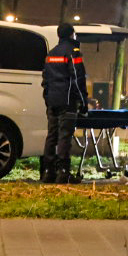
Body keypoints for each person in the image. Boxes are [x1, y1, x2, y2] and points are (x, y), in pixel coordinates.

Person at [41, 23, 89, 184]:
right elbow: (78, 78)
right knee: (64, 137)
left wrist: (48, 99)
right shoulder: (73, 52)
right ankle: (63, 173)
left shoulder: (51, 53)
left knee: (51, 135)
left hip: (52, 102)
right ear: (71, 35)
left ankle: (48, 172)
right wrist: (83, 102)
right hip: (67, 101)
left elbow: (45, 80)